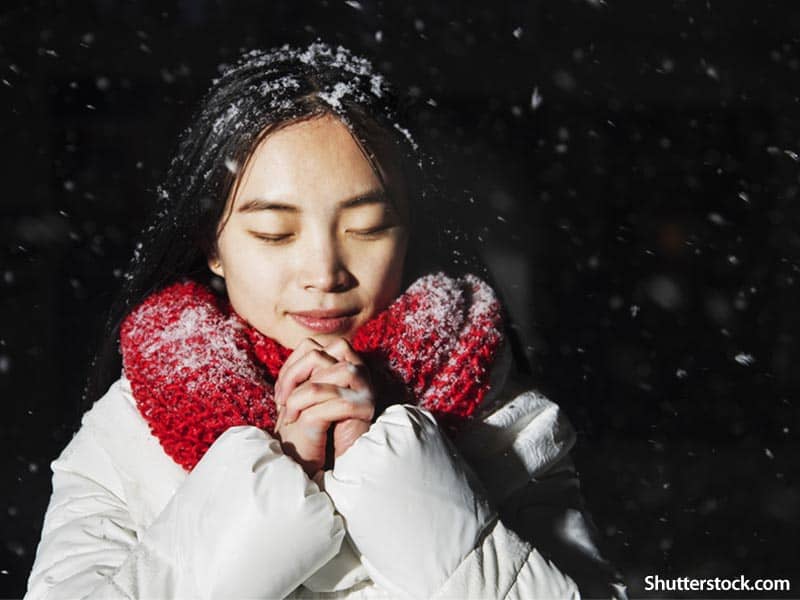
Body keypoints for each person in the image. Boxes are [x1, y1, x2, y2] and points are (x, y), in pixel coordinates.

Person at [25, 41, 626, 599]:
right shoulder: (125, 437)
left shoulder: (508, 420)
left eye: (366, 227)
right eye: (274, 232)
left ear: (409, 228)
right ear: (212, 243)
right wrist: (259, 495)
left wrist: (407, 485)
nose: (324, 271)